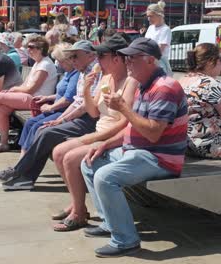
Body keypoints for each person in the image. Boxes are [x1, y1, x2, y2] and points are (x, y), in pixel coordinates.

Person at [80, 38, 188, 258]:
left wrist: (123, 108)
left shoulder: (165, 87)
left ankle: (125, 241)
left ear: (150, 60)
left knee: (105, 177)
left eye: (132, 58)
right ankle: (110, 224)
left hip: (160, 158)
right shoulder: (145, 85)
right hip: (140, 152)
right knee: (90, 162)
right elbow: (134, 128)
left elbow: (153, 132)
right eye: (126, 58)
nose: (127, 63)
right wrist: (105, 145)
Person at [51, 35, 139, 232]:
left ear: (116, 59)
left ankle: (79, 213)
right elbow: (93, 112)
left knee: (70, 158)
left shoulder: (131, 82)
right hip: (100, 132)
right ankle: (77, 204)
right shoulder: (106, 78)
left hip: (114, 137)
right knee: (58, 152)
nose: (97, 60)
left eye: (101, 56)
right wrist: (87, 90)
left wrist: (94, 138)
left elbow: (125, 122)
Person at [0, 40, 99, 190]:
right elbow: (77, 102)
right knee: (43, 129)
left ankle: (19, 172)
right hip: (77, 116)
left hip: (89, 120)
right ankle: (25, 178)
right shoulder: (84, 71)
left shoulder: (92, 73)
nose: (72, 60)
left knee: (45, 132)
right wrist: (60, 119)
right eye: (71, 57)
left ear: (90, 56)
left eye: (75, 56)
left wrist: (61, 119)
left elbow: (83, 106)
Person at [0, 36, 57, 153]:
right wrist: (14, 90)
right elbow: (26, 85)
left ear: (41, 49)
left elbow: (31, 89)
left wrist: (14, 89)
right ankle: (4, 143)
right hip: (30, 97)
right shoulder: (38, 64)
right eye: (28, 47)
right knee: (2, 108)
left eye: (31, 47)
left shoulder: (45, 65)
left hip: (38, 100)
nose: (28, 50)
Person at [18, 42, 79, 154]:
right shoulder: (67, 73)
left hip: (64, 112)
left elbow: (68, 99)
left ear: (68, 60)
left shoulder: (75, 75)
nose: (59, 64)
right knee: (29, 123)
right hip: (57, 109)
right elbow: (62, 94)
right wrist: (47, 97)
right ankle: (23, 157)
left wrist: (50, 107)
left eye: (60, 61)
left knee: (37, 126)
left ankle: (28, 159)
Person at [145, 1, 172, 76]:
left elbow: (160, 49)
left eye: (151, 16)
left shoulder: (165, 29)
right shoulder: (150, 28)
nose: (149, 19)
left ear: (159, 15)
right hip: (149, 61)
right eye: (148, 16)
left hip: (160, 64)